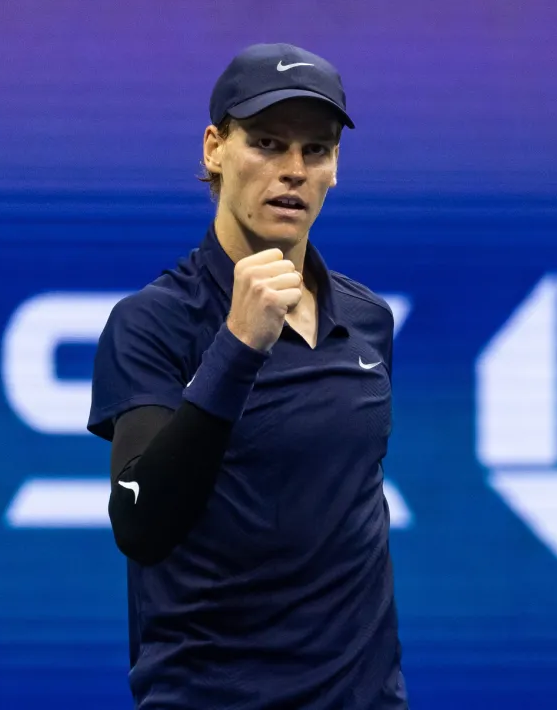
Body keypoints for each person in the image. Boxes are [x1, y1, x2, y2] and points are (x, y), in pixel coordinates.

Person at [88, 43, 407, 709]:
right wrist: (236, 348)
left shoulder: (368, 320)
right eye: (266, 143)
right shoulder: (152, 325)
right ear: (214, 149)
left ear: (335, 168)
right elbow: (140, 523)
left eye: (315, 151)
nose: (292, 171)